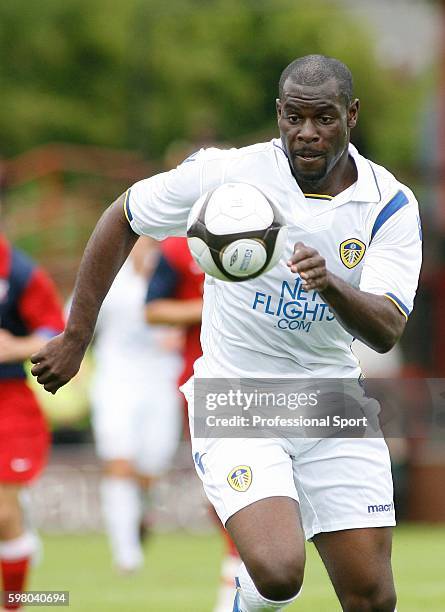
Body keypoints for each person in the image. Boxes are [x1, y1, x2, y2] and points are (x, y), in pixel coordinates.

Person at [31, 54, 422, 612]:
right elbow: (124, 215)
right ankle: (244, 597)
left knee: (372, 597)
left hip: (331, 396)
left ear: (351, 115)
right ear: (278, 114)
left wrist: (330, 285)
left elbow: (386, 327)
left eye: (324, 118)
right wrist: (77, 336)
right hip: (236, 395)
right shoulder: (227, 174)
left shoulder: (388, 205)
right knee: (279, 572)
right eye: (293, 117)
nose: (306, 133)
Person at [145, 236, 240, 612]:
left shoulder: (276, 233)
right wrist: (210, 307)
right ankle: (239, 566)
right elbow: (152, 310)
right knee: (219, 490)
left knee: (243, 483)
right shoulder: (175, 250)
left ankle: (236, 575)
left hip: (264, 380)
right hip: (203, 381)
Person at [87, 236, 182, 573]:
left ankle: (143, 512)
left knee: (150, 469)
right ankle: (126, 554)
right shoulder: (109, 276)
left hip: (162, 381)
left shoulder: (177, 275)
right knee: (119, 461)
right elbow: (78, 318)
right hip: (116, 380)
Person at [0, 232, 64, 610]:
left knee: (3, 516)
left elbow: (54, 333)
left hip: (9, 403)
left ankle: (13, 605)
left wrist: (14, 347)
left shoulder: (19, 272)